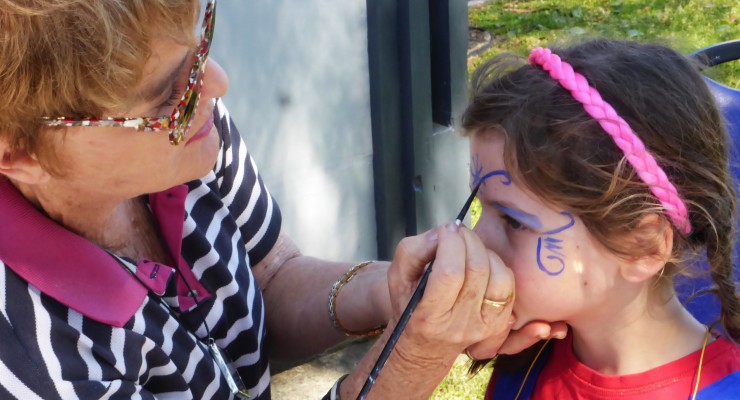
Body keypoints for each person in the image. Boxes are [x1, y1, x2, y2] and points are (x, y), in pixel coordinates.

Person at [0, 1, 567, 399]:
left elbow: (271, 274)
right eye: (164, 96)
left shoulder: (188, 138)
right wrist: (413, 359)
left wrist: (387, 291)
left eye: (201, 42)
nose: (215, 84)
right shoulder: (30, 361)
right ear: (19, 153)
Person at [461, 38, 740, 399]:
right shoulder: (524, 360)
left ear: (641, 244)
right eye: (480, 207)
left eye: (514, 222)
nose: (474, 240)